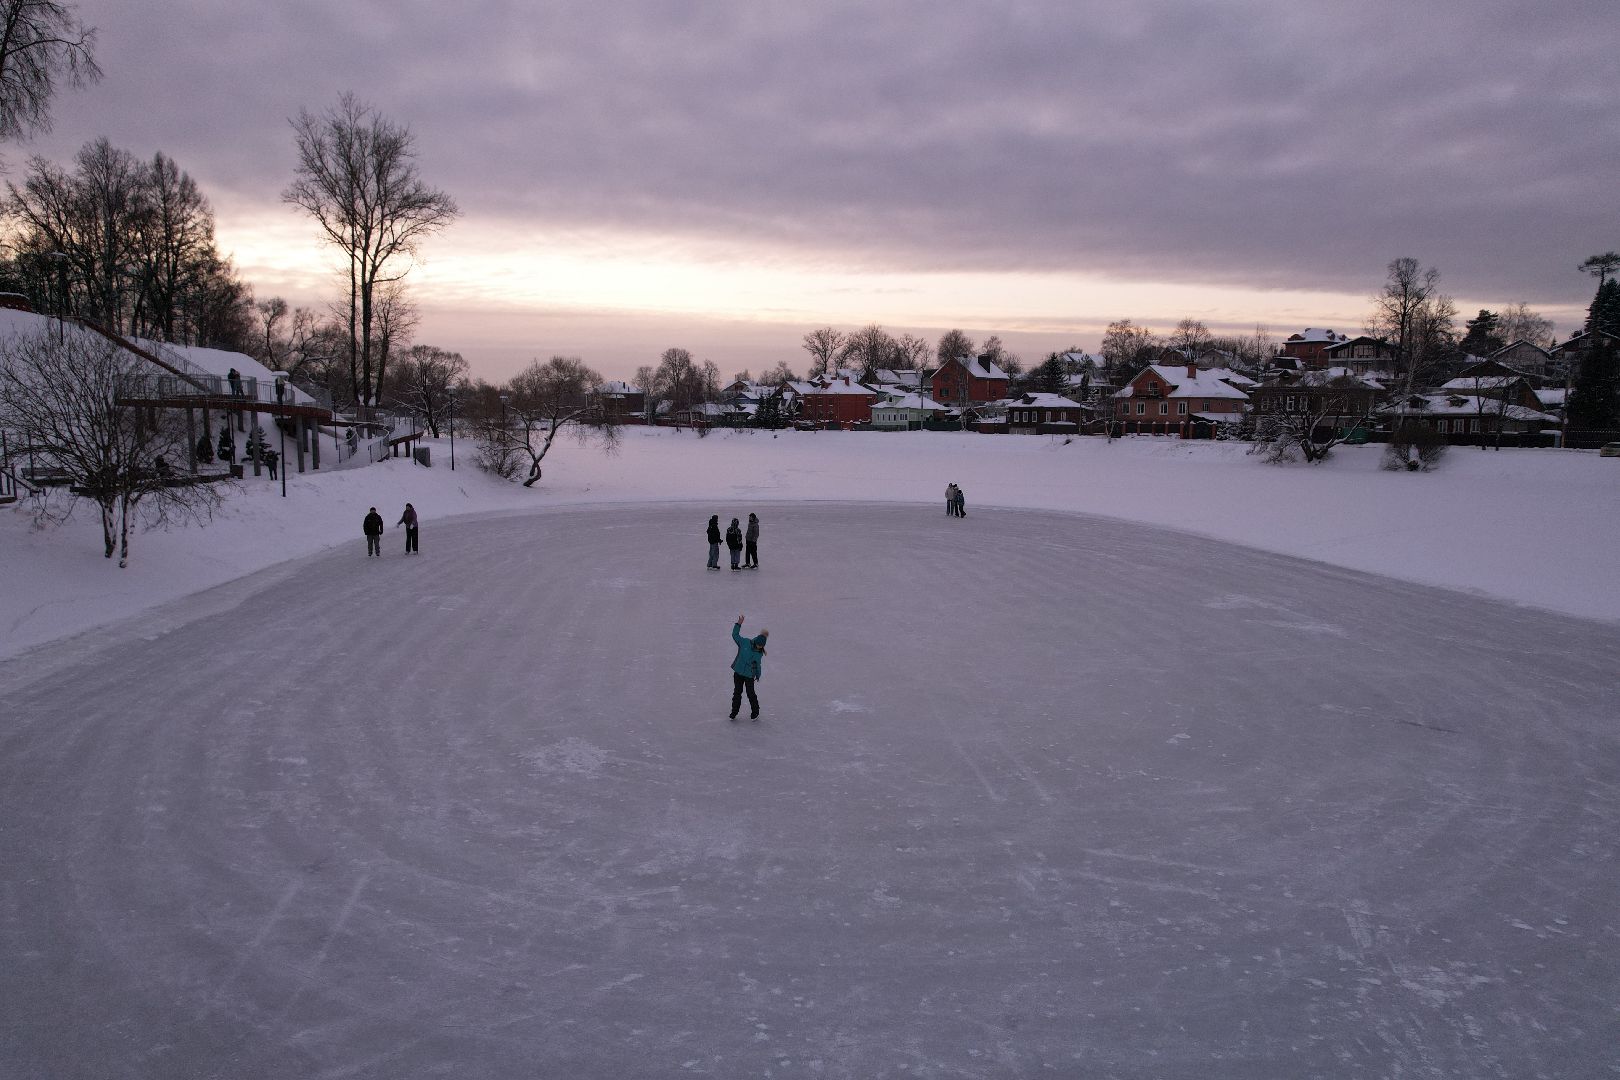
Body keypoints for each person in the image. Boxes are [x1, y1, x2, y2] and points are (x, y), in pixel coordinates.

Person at [729, 613, 768, 721]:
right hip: (738, 673)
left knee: (751, 693)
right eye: (758, 645)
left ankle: (755, 711)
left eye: (761, 646)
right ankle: (734, 712)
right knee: (737, 692)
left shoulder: (759, 653)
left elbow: (758, 665)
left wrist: (758, 675)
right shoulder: (745, 643)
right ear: (755, 642)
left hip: (749, 675)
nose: (759, 647)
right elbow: (735, 635)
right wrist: (738, 624)